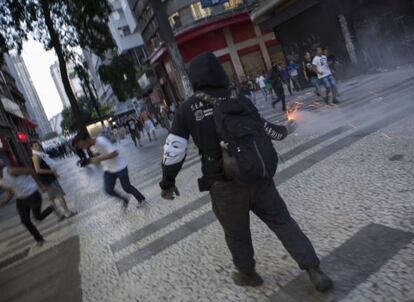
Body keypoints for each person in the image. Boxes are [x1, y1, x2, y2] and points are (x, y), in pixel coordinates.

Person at [159, 52, 333, 292]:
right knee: (283, 222)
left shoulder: (187, 109)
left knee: (237, 234)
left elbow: (174, 150)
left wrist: (167, 182)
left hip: (224, 184)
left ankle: (248, 274)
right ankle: (314, 270)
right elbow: (263, 128)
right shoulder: (238, 97)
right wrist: (284, 131)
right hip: (257, 175)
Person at [74, 132, 146, 208]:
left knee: (127, 187)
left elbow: (115, 153)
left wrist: (98, 158)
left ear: (87, 139)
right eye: (82, 146)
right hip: (108, 170)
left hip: (120, 167)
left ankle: (141, 199)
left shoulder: (101, 140)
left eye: (83, 144)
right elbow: (98, 160)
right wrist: (88, 161)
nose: (84, 147)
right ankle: (124, 199)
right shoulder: (91, 148)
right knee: (108, 189)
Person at [0, 160, 55, 246]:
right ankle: (39, 239)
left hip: (32, 193)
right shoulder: (0, 181)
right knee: (25, 220)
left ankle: (52, 208)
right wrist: (4, 202)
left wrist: (41, 185)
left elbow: (30, 170)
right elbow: (10, 193)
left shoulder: (10, 171)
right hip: (21, 198)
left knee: (38, 217)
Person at [31, 140, 77, 220]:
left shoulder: (40, 155)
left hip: (47, 179)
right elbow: (37, 170)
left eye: (38, 145)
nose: (38, 147)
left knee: (52, 199)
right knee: (59, 196)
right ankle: (67, 213)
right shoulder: (36, 156)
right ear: (31, 147)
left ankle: (59, 215)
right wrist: (51, 171)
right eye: (35, 146)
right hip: (49, 179)